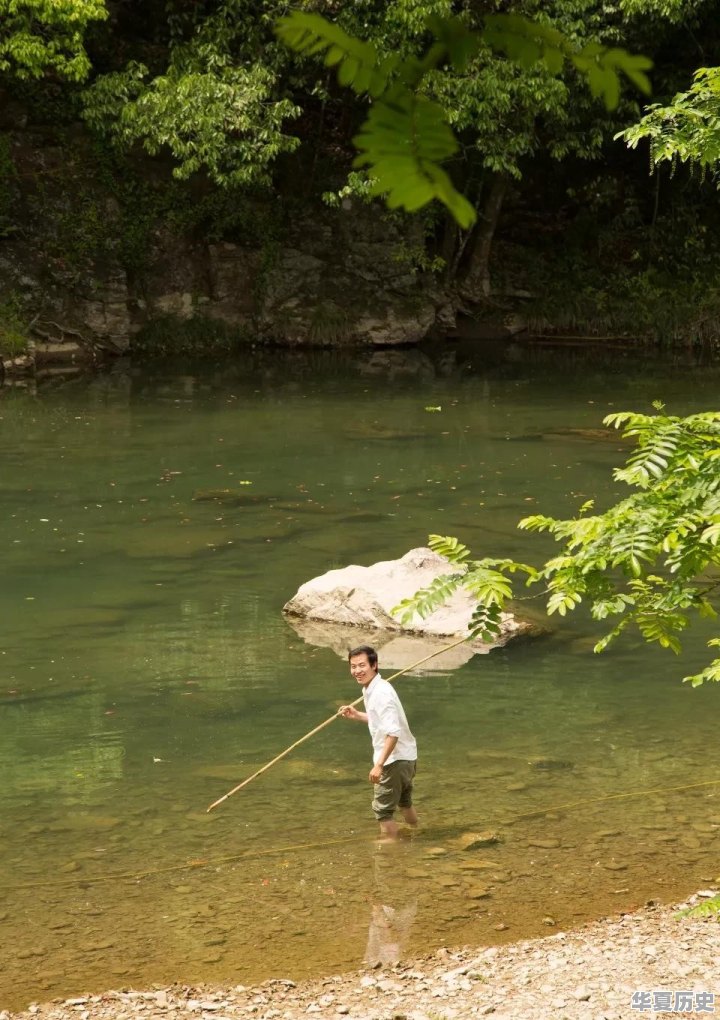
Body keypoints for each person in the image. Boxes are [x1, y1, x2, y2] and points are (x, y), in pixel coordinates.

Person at [337, 644, 418, 839]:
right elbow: (381, 722)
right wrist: (357, 715)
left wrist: (379, 765)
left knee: (383, 812)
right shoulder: (373, 689)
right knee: (404, 802)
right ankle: (417, 834)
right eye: (353, 666)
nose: (357, 671)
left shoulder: (381, 693)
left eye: (362, 665)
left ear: (374, 665)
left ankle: (389, 853)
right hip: (407, 757)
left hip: (393, 761)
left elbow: (393, 732)